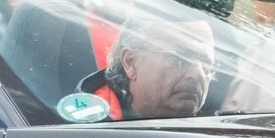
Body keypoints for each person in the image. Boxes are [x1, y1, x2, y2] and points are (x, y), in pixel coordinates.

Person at [87, 17, 215, 120]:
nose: (198, 74)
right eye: (179, 59)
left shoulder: (219, 132)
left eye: (206, 63)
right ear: (130, 63)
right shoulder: (87, 127)